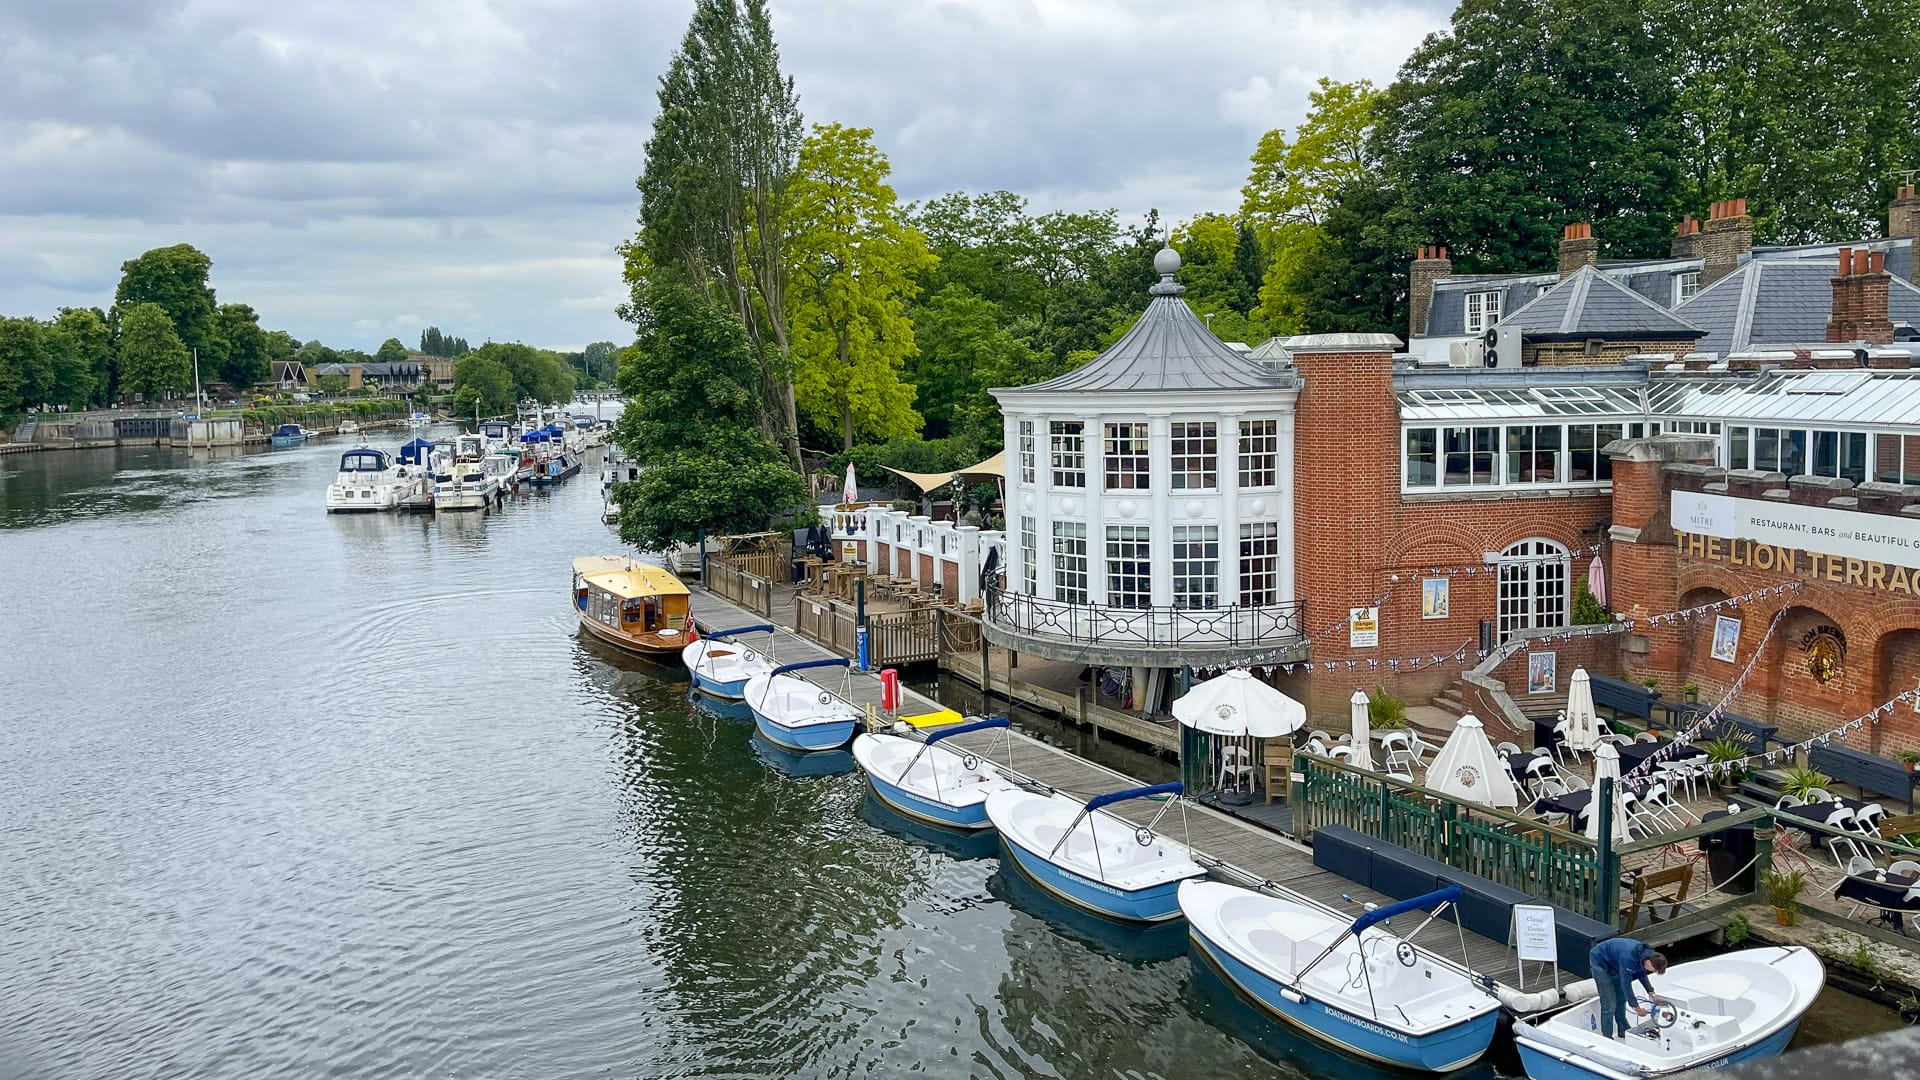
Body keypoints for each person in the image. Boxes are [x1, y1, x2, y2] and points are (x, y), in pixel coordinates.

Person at [1589, 938, 1668, 1039]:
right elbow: (1626, 984)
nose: (1653, 972)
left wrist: (1652, 993)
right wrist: (1636, 1007)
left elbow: (1642, 974)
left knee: (1621, 1000)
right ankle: (1607, 1037)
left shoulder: (1648, 956)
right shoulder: (1629, 959)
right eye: (1654, 970)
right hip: (1600, 960)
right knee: (1609, 1004)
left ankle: (1623, 1030)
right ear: (1649, 963)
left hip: (1615, 963)